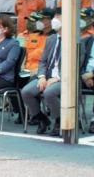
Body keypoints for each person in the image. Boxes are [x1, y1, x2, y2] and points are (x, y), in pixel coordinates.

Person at [21, 8, 64, 136]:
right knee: (27, 91)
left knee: (49, 92)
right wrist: (41, 76)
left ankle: (59, 120)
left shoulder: (76, 40)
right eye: (55, 16)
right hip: (47, 76)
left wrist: (57, 77)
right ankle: (41, 118)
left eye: (59, 16)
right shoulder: (51, 39)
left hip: (64, 78)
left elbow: (77, 64)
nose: (56, 19)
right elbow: (43, 61)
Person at [22, 10, 54, 77]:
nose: (39, 22)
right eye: (38, 19)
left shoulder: (54, 38)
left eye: (42, 19)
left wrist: (40, 70)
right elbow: (24, 51)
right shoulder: (33, 36)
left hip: (41, 72)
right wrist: (21, 64)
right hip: (25, 71)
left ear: (50, 21)